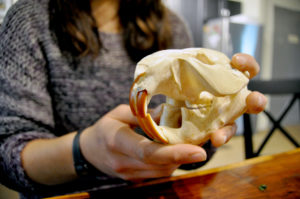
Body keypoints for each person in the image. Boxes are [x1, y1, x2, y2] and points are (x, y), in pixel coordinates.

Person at [0, 0, 267, 198]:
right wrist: (84, 152)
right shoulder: (29, 20)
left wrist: (216, 114)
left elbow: (196, 152)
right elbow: (8, 153)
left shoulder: (171, 25)